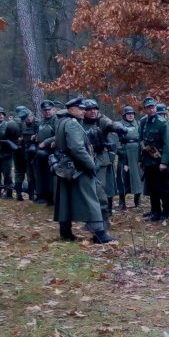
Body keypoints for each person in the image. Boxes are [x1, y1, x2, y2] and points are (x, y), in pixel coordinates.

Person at [53, 97, 114, 244]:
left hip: (65, 167)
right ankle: (99, 234)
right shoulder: (73, 124)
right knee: (91, 199)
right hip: (78, 167)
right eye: (80, 109)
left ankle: (65, 232)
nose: (83, 111)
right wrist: (91, 165)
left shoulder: (62, 122)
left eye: (84, 109)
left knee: (65, 200)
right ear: (71, 109)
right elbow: (77, 148)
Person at [81, 100, 119, 223]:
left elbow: (110, 125)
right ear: (84, 111)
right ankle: (92, 216)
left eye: (95, 109)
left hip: (101, 160)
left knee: (102, 189)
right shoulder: (79, 123)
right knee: (88, 189)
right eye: (89, 109)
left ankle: (104, 218)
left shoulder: (101, 120)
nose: (93, 111)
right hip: (85, 160)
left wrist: (118, 128)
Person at [139, 97, 169, 222]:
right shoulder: (143, 122)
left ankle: (165, 212)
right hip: (148, 160)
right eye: (149, 108)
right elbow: (140, 141)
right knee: (152, 188)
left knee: (163, 188)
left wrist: (164, 162)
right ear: (145, 109)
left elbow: (167, 144)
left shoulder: (162, 122)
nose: (152, 110)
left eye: (153, 107)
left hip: (159, 160)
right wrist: (140, 159)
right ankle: (155, 212)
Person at [117, 106, 144, 210]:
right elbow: (115, 139)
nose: (130, 115)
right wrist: (119, 150)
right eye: (128, 114)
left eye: (132, 113)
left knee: (137, 177)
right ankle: (122, 201)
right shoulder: (119, 125)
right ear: (124, 115)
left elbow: (142, 137)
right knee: (123, 177)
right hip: (124, 153)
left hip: (136, 153)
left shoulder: (138, 124)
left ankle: (137, 201)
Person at [32, 101, 57, 205]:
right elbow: (40, 132)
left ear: (53, 110)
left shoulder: (56, 120)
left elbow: (58, 135)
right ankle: (41, 195)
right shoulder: (41, 122)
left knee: (50, 175)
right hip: (40, 152)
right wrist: (36, 136)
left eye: (49, 110)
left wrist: (46, 142)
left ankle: (51, 197)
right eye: (45, 110)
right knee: (40, 173)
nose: (47, 112)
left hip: (51, 152)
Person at [16, 108, 38, 201]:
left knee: (35, 174)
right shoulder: (22, 124)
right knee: (28, 174)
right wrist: (20, 138)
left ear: (31, 115)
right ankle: (30, 194)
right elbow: (20, 134)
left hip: (36, 152)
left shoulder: (38, 123)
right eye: (24, 119)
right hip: (26, 152)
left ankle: (37, 194)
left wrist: (36, 136)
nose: (26, 121)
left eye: (27, 118)